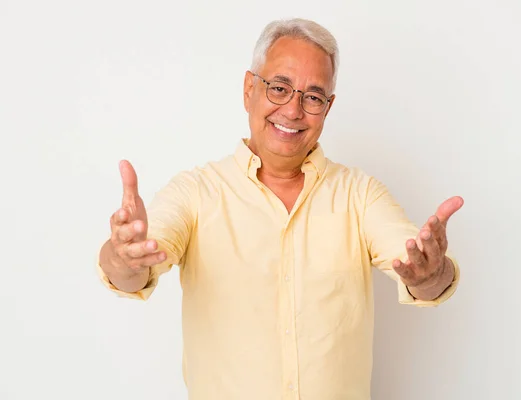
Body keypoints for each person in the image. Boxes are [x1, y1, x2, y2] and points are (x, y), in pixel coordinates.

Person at [97, 17, 463, 400]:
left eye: (313, 96)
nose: (293, 110)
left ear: (328, 107)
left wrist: (430, 273)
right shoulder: (196, 193)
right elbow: (133, 271)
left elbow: (423, 270)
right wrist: (124, 258)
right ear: (249, 89)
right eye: (279, 88)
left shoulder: (360, 194)